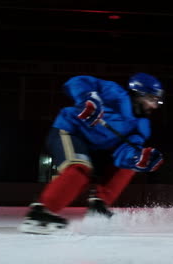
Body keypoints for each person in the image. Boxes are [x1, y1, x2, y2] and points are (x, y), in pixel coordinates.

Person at [18, 73, 165, 234]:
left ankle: (99, 207)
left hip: (96, 149)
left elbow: (125, 151)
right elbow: (76, 82)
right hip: (71, 131)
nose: (155, 106)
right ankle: (40, 213)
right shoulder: (115, 93)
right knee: (79, 171)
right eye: (152, 99)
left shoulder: (142, 125)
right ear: (138, 94)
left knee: (129, 165)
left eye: (157, 101)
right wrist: (88, 98)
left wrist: (138, 158)